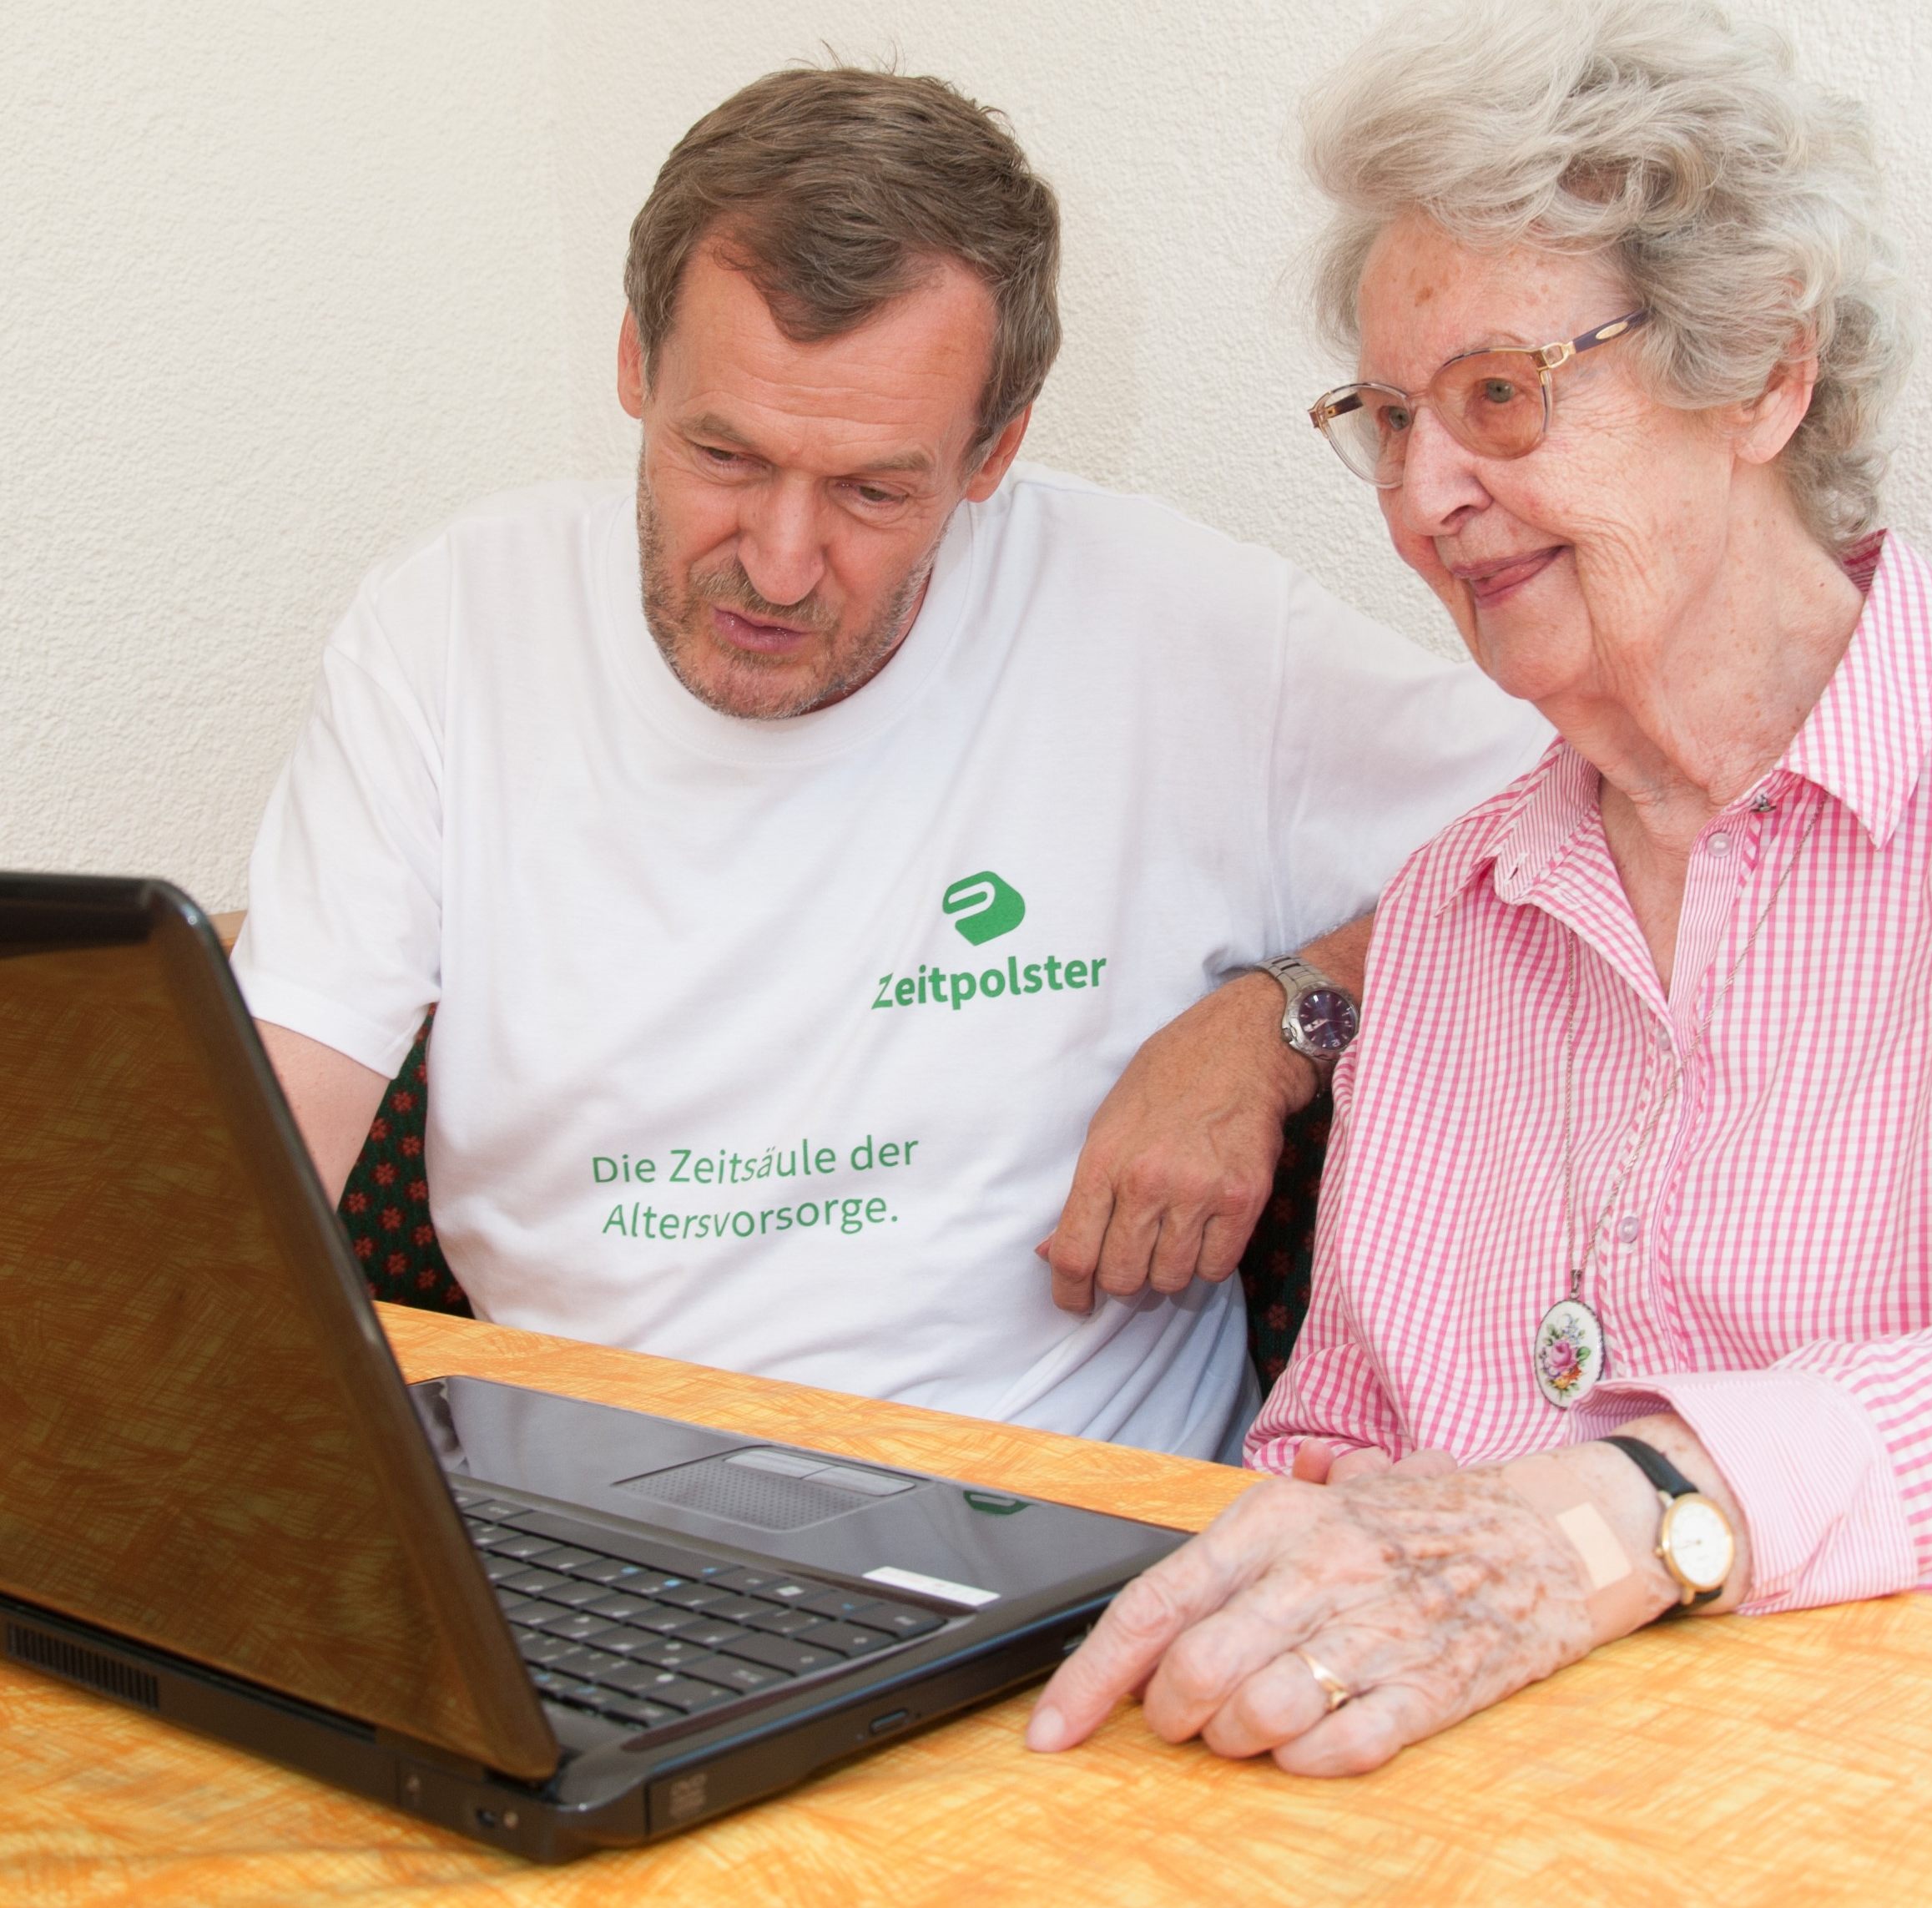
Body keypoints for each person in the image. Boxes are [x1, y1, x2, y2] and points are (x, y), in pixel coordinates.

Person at [1029, 0, 1932, 1775]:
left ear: (1764, 373)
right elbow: (1343, 1433)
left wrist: (1621, 1517)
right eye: (1389, 419)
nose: (1423, 496)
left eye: (1498, 396)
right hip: (1577, 1820)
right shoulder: (1464, 901)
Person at [234, 66, 1546, 1461]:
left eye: (872, 489)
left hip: (1053, 1548)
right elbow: (255, 1161)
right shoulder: (450, 627)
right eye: (723, 453)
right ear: (633, 365)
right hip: (577, 1525)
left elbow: (1599, 818)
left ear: (995, 449)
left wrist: (1283, 1018)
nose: (779, 562)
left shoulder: (1183, 632)